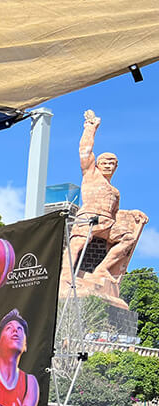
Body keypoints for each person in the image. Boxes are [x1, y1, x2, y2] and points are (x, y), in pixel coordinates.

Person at [65, 111, 148, 292]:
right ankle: (65, 273)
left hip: (107, 223)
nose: (109, 166)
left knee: (128, 238)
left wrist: (132, 213)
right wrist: (90, 128)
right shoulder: (91, 175)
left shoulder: (115, 192)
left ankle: (102, 270)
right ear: (97, 165)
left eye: (112, 164)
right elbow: (85, 150)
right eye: (105, 163)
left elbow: (115, 213)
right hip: (88, 217)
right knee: (77, 244)